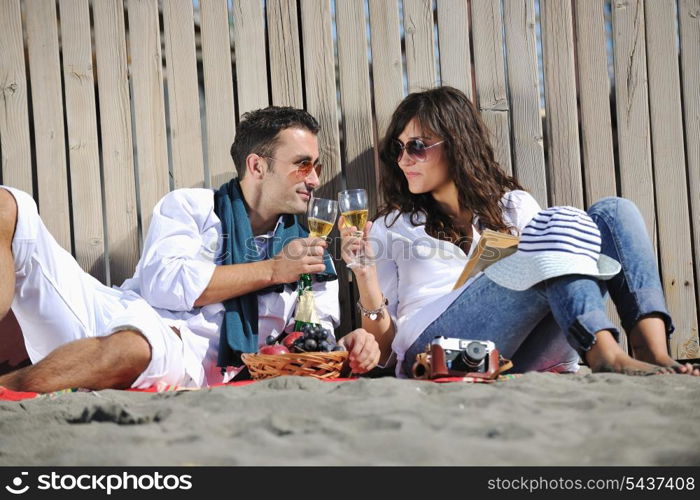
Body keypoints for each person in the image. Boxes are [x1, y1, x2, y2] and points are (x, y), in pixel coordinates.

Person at [0, 106, 380, 393]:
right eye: (302, 165)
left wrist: (349, 342)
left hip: (176, 350)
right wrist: (274, 269)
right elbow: (163, 285)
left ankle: (8, 389)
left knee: (138, 347)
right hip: (109, 309)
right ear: (257, 166)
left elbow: (313, 337)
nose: (315, 179)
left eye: (317, 166)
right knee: (8, 206)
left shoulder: (309, 250)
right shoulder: (191, 207)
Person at [338, 86, 698, 377]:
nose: (403, 159)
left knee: (614, 211)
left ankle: (652, 351)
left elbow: (560, 267)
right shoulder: (392, 225)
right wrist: (366, 276)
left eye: (417, 146)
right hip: (436, 349)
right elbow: (384, 352)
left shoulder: (514, 205)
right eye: (398, 148)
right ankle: (601, 350)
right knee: (555, 226)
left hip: (526, 351)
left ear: (457, 144)